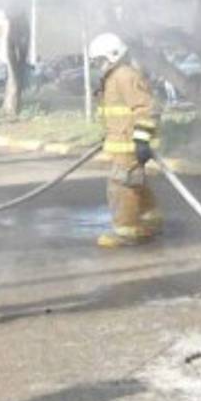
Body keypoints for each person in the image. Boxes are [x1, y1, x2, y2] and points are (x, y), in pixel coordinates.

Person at [87, 33, 162, 247]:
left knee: (121, 185)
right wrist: (108, 134)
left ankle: (126, 230)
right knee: (134, 182)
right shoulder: (114, 77)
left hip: (130, 143)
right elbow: (117, 113)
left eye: (100, 60)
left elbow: (145, 108)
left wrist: (141, 140)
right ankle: (149, 220)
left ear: (113, 55)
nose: (98, 65)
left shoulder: (124, 75)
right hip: (124, 141)